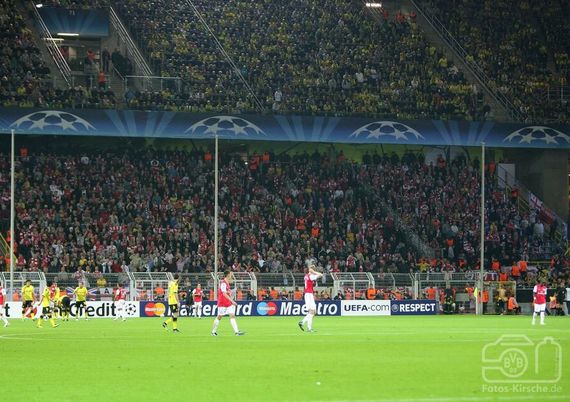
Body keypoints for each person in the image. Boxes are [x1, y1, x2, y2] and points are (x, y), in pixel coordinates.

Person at [211, 271, 244, 336]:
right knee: (219, 317)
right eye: (230, 274)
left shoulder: (227, 283)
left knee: (232, 315)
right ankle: (213, 332)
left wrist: (231, 292)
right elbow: (224, 294)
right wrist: (232, 301)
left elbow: (227, 293)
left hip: (228, 303)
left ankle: (237, 332)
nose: (231, 275)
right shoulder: (223, 283)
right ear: (228, 275)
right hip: (222, 303)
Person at [298, 263, 324, 332]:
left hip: (308, 294)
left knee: (313, 311)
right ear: (312, 270)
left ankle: (309, 328)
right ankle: (302, 322)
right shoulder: (311, 276)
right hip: (309, 294)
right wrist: (314, 272)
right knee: (312, 311)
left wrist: (312, 271)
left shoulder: (306, 276)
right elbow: (321, 275)